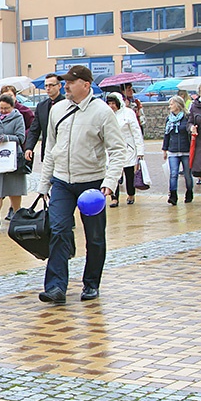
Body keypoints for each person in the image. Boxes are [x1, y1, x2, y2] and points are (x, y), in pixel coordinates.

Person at [38, 65, 127, 304]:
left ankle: (91, 284)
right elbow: (50, 149)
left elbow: (118, 150)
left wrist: (109, 182)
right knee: (58, 231)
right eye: (64, 81)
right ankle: (56, 287)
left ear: (86, 85)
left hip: (92, 184)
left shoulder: (101, 112)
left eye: (71, 82)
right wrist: (43, 184)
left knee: (95, 237)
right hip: (61, 182)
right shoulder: (57, 110)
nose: (65, 85)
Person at [0, 93, 27, 230]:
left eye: (6, 108)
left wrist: (5, 137)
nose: (2, 111)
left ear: (12, 107)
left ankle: (17, 215)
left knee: (14, 188)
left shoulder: (18, 118)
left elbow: (21, 138)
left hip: (12, 158)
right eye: (0, 108)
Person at [106, 92, 145, 208]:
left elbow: (136, 132)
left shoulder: (128, 113)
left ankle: (131, 194)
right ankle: (114, 198)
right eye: (109, 103)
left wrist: (140, 151)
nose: (111, 106)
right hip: (112, 149)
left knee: (129, 174)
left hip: (128, 149)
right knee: (114, 174)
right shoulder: (107, 115)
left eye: (113, 103)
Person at [24, 73, 65, 165]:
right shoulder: (41, 106)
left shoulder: (67, 104)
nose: (48, 88)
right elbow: (34, 129)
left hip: (63, 150)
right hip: (47, 151)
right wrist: (29, 147)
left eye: (51, 85)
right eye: (46, 85)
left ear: (59, 86)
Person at [162, 95, 194, 205]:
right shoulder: (169, 119)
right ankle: (173, 195)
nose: (169, 106)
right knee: (173, 173)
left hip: (186, 150)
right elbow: (166, 135)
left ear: (178, 105)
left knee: (187, 174)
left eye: (171, 104)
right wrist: (164, 149)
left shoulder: (187, 117)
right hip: (173, 150)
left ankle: (189, 192)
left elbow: (190, 133)